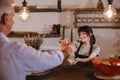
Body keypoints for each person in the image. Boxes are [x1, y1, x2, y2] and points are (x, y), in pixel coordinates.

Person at [0, 0, 76, 80]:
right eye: (13, 16)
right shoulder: (14, 50)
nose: (14, 21)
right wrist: (67, 50)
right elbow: (45, 61)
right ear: (6, 18)